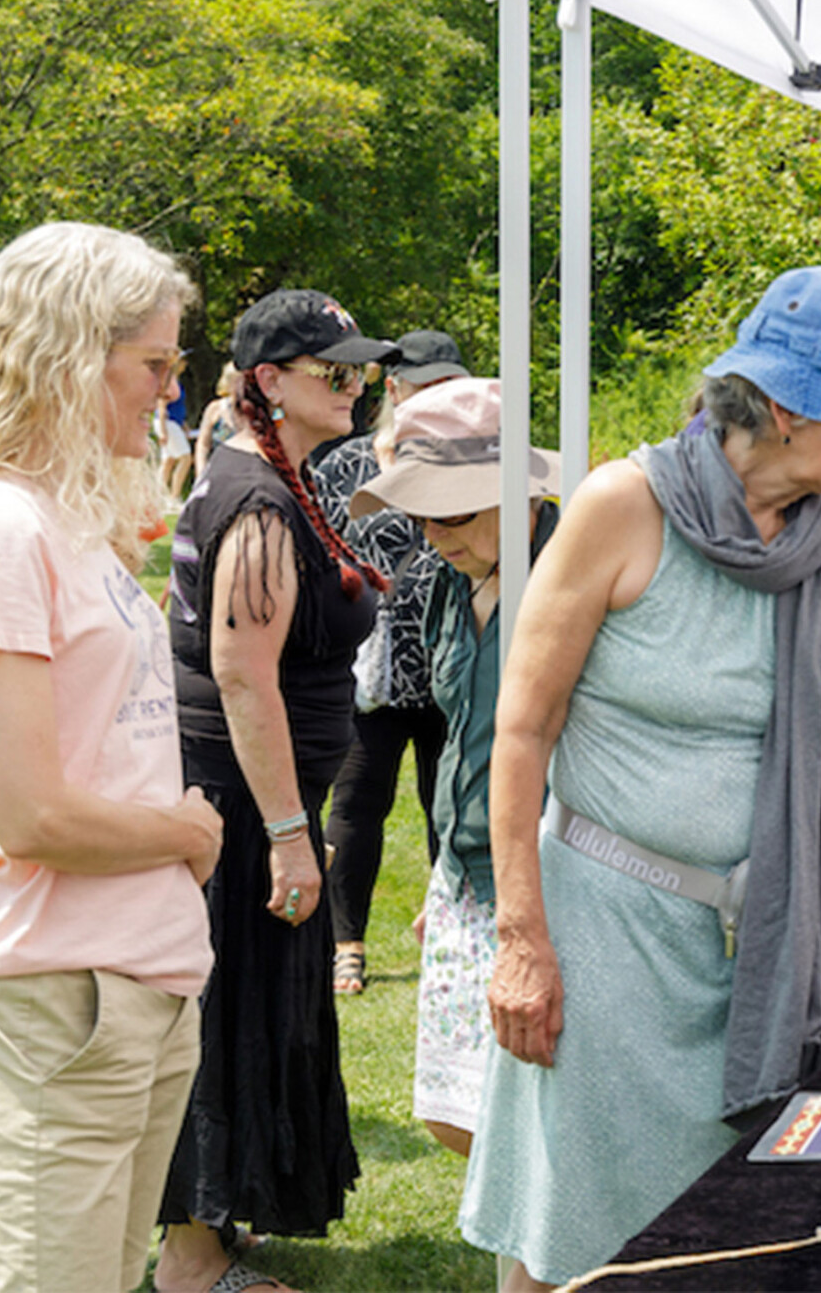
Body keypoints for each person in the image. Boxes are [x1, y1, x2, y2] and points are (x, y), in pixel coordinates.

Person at [462, 267, 821, 1290]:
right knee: (579, 1239)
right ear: (781, 407)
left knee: (731, 1242)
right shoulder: (621, 506)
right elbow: (520, 728)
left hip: (762, 947)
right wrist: (520, 936)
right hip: (608, 936)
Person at [0, 221, 222, 1292]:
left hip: (129, 990)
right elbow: (28, 814)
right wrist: (187, 833)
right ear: (70, 354)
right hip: (50, 1003)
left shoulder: (65, 518)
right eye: (155, 364)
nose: (169, 393)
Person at [156, 289, 393, 1293]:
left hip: (258, 802)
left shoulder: (275, 480)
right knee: (226, 1020)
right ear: (268, 383)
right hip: (246, 809)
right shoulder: (255, 502)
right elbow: (245, 678)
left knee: (258, 1015)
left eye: (361, 369)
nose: (356, 384)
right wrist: (293, 835)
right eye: (333, 370)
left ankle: (223, 1219)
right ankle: (192, 1262)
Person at [340, 377, 555, 1158]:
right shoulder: (446, 586)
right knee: (456, 1114)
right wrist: (452, 877)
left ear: (520, 494)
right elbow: (463, 736)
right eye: (421, 517)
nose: (435, 537)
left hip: (547, 882)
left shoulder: (571, 581)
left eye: (454, 514)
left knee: (532, 1115)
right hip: (466, 877)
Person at [311, 328, 470, 998]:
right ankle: (347, 942)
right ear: (394, 388)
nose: (433, 396)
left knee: (452, 807)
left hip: (452, 664)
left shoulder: (473, 462)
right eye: (422, 385)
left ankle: (453, 932)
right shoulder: (342, 466)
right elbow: (317, 554)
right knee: (356, 806)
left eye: (446, 385)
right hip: (368, 668)